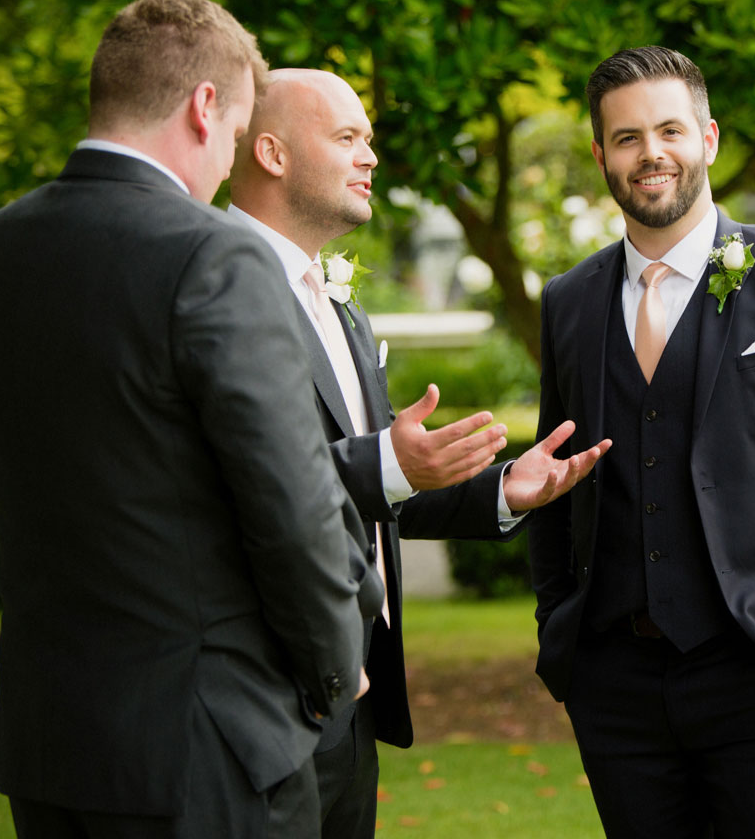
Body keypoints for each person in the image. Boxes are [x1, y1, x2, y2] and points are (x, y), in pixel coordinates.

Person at [0, 0, 371, 838]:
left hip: (51, 745)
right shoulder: (216, 255)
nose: (228, 165)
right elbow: (293, 507)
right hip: (210, 746)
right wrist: (333, 669)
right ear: (206, 108)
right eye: (239, 135)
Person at [527, 46, 755, 838]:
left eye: (669, 130)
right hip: (615, 683)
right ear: (600, 156)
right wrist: (561, 622)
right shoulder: (569, 301)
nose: (650, 153)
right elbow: (552, 480)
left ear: (709, 138)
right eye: (626, 138)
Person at [226, 68, 610, 837]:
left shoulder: (340, 305)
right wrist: (390, 465)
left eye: (369, 138)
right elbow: (239, 487)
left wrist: (503, 489)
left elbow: (374, 478)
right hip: (257, 695)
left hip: (350, 694)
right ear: (270, 151)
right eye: (347, 138)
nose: (371, 156)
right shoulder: (214, 289)